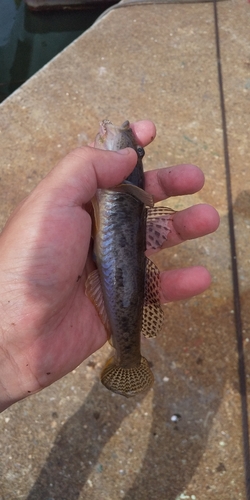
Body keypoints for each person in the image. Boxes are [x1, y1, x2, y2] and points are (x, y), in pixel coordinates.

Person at [0, 120, 219, 413]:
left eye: (136, 153)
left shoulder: (120, 186)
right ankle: (128, 354)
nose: (127, 137)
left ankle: (127, 357)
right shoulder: (116, 188)